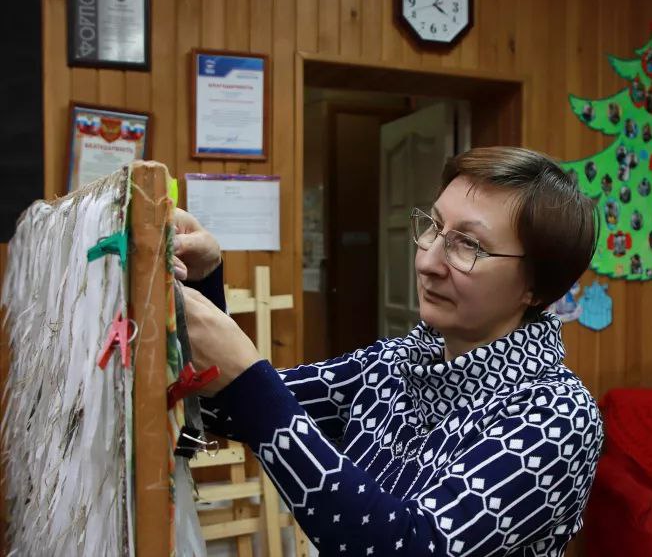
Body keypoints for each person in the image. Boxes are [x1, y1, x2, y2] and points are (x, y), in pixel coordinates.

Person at [178, 146, 604, 556]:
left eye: (468, 245)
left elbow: (411, 545)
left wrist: (250, 379)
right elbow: (224, 408)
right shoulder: (392, 365)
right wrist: (204, 280)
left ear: (536, 288)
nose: (427, 262)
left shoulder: (559, 414)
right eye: (434, 226)